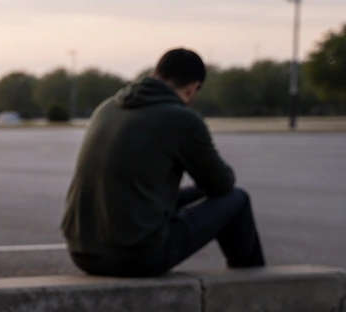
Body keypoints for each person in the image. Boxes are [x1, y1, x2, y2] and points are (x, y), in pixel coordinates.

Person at [61, 48, 265, 278]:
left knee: (194, 193)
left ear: (154, 73)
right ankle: (255, 291)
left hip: (81, 252)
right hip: (136, 256)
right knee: (237, 200)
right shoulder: (181, 118)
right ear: (192, 88)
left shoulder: (106, 107)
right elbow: (221, 185)